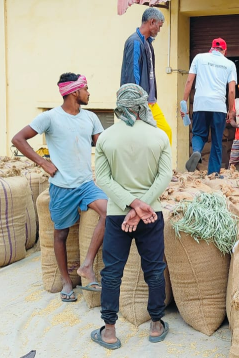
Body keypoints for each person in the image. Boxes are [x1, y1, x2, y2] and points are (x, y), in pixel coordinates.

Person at [11, 72, 108, 302]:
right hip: (62, 187)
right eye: (86, 89)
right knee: (61, 234)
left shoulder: (91, 117)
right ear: (74, 91)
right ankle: (66, 282)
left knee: (108, 212)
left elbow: (104, 145)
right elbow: (18, 139)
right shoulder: (50, 118)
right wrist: (43, 162)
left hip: (86, 184)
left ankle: (86, 265)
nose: (88, 93)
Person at [90, 84, 172, 350]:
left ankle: (109, 332)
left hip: (117, 215)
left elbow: (103, 179)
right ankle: (156, 325)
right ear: (142, 105)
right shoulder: (159, 136)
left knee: (112, 272)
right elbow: (165, 176)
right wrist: (142, 206)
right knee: (154, 269)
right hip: (151, 215)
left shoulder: (106, 138)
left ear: (120, 105)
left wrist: (131, 206)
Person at [181, 38, 237, 175]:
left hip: (200, 104)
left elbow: (189, 82)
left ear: (211, 48)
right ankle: (213, 173)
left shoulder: (199, 58)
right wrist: (231, 110)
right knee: (217, 141)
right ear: (224, 50)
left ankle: (196, 151)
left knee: (198, 134)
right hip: (219, 106)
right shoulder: (229, 64)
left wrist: (184, 103)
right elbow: (231, 91)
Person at [121, 7, 173, 144]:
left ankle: (162, 160)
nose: (159, 30)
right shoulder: (135, 42)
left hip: (150, 102)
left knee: (166, 132)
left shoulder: (148, 43)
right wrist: (135, 106)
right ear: (152, 22)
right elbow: (133, 75)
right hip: (139, 103)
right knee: (140, 140)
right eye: (159, 26)